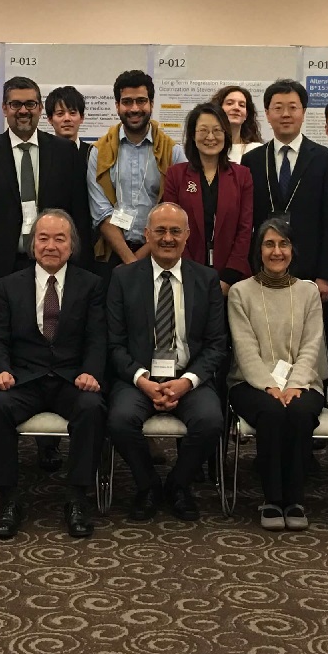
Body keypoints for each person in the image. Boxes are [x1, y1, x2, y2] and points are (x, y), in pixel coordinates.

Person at [0, 210, 106, 539]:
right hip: (24, 379)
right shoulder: (8, 285)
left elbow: (97, 338)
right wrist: (1, 370)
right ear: (32, 244)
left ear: (72, 246)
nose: (51, 246)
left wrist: (91, 372)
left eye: (59, 239)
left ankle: (77, 497)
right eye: (43, 238)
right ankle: (9, 498)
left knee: (92, 408)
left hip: (70, 379)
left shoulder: (91, 285)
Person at [106, 203, 229, 522]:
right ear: (147, 235)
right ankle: (147, 485)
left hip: (188, 377)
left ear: (187, 235)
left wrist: (187, 381)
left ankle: (178, 485)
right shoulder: (122, 278)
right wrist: (142, 380)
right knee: (119, 420)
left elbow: (217, 344)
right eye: (160, 231)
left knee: (210, 420)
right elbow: (114, 343)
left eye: (175, 231)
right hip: (139, 378)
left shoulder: (206, 279)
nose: (168, 238)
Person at [227, 218, 328, 531]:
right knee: (272, 412)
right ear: (258, 250)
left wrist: (295, 384)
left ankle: (294, 499)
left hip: (303, 382)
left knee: (299, 412)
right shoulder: (240, 292)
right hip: (250, 383)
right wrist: (269, 386)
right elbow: (245, 349)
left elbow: (312, 345)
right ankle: (272, 500)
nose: (277, 251)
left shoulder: (309, 292)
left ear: (293, 250)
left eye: (283, 244)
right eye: (269, 244)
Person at [0, 76, 93, 296]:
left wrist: (80, 271)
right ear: (4, 108)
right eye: (15, 104)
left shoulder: (65, 152)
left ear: (40, 108)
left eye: (30, 104)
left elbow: (80, 216)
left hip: (56, 267)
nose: (23, 111)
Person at [241, 79, 328, 304]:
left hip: (310, 270)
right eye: (278, 108)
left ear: (303, 112)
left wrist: (326, 275)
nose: (285, 114)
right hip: (263, 266)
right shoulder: (252, 160)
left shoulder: (326, 160)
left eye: (293, 107)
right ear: (267, 114)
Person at [89, 70, 188, 273]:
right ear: (117, 106)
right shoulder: (99, 152)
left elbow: (177, 210)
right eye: (127, 102)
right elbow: (101, 213)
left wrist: (137, 261)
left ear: (152, 104)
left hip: (160, 251)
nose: (134, 108)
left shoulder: (173, 152)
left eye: (141, 101)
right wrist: (130, 262)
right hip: (112, 253)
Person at [161, 102, 254, 292]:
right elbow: (172, 228)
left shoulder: (242, 175)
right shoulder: (175, 175)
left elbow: (245, 229)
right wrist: (190, 273)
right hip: (186, 277)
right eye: (203, 130)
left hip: (233, 280)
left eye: (217, 130)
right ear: (192, 135)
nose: (210, 137)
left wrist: (229, 276)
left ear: (226, 134)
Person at [210, 85, 263, 164]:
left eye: (241, 105)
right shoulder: (207, 148)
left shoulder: (257, 150)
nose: (236, 108)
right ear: (218, 109)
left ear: (246, 115)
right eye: (230, 103)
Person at [46, 86, 90, 163]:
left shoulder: (92, 153)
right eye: (60, 114)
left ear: (82, 118)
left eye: (72, 113)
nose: (67, 118)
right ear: (50, 119)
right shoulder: (43, 154)